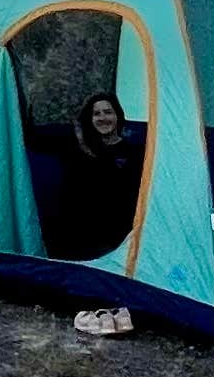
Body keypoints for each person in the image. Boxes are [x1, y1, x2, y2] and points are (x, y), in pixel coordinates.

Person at [42, 83, 141, 257]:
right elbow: (33, 139)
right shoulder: (76, 148)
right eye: (97, 114)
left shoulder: (133, 153)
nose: (103, 118)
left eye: (108, 112)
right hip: (72, 237)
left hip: (112, 241)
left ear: (118, 116)